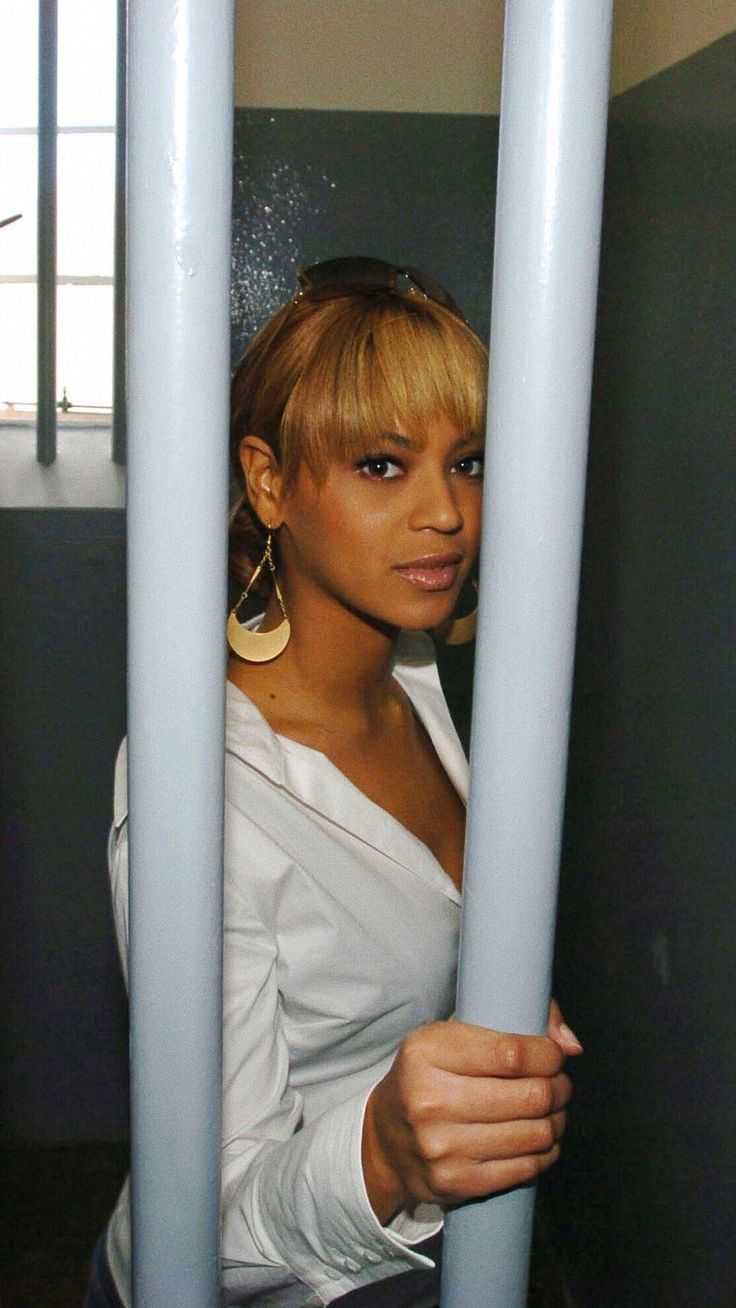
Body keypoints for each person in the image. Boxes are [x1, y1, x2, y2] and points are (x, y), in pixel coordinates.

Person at [87, 257, 581, 1308]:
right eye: (380, 465)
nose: (446, 513)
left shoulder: (417, 672)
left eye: (471, 461)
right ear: (268, 481)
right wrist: (386, 1152)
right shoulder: (199, 794)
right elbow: (204, 1225)